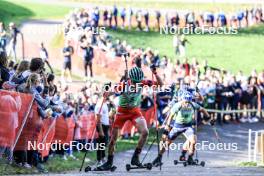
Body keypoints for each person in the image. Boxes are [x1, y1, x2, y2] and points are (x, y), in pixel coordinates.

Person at [97, 66, 163, 170]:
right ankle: (109, 162)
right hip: (122, 112)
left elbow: (160, 85)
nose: (137, 84)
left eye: (138, 82)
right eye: (135, 82)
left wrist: (155, 73)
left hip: (134, 111)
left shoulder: (143, 82)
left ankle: (135, 157)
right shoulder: (123, 85)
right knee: (113, 139)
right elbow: (112, 91)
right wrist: (106, 93)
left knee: (145, 132)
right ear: (130, 79)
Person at [152, 92, 212, 166]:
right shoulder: (177, 105)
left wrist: (208, 117)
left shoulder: (193, 104)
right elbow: (170, 116)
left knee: (193, 140)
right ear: (182, 100)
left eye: (188, 102)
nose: (186, 104)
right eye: (185, 102)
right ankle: (159, 157)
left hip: (187, 127)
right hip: (177, 127)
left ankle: (190, 157)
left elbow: (202, 109)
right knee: (167, 143)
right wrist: (167, 127)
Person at [95, 93, 110, 166]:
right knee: (100, 143)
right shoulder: (99, 105)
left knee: (104, 143)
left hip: (106, 126)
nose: (108, 96)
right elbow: (98, 119)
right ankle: (99, 159)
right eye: (107, 95)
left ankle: (103, 157)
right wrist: (100, 131)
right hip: (101, 126)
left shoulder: (105, 104)